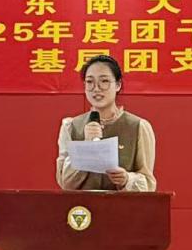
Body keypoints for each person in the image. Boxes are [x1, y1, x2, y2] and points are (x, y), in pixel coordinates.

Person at [56, 54, 157, 192]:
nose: (96, 88)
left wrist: (127, 179)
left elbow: (149, 184)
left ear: (118, 85)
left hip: (122, 205)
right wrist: (86, 146)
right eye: (90, 82)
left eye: (104, 81)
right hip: (81, 205)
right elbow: (65, 183)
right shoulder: (71, 126)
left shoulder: (138, 126)